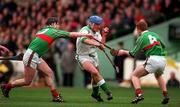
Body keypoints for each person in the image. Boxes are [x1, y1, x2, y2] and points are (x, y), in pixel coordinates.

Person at [0, 17, 94, 102]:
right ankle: (6, 87)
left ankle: (55, 96)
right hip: (32, 55)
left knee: (49, 73)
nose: (58, 26)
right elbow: (71, 34)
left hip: (34, 55)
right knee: (27, 81)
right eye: (57, 24)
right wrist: (85, 35)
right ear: (53, 24)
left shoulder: (42, 30)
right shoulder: (53, 31)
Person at [110, 20, 169, 104]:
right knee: (158, 76)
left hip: (152, 59)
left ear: (138, 29)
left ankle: (139, 95)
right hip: (162, 59)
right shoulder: (155, 34)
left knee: (134, 75)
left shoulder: (141, 38)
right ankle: (166, 95)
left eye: (136, 29)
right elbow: (163, 46)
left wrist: (122, 51)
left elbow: (132, 54)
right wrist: (146, 49)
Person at [76, 15, 113, 102]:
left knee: (95, 76)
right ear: (91, 23)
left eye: (100, 24)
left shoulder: (97, 32)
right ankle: (108, 92)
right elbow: (85, 40)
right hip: (83, 56)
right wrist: (97, 44)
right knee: (95, 72)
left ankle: (95, 94)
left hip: (93, 55)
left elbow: (102, 46)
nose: (99, 26)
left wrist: (104, 35)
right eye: (97, 24)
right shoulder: (85, 30)